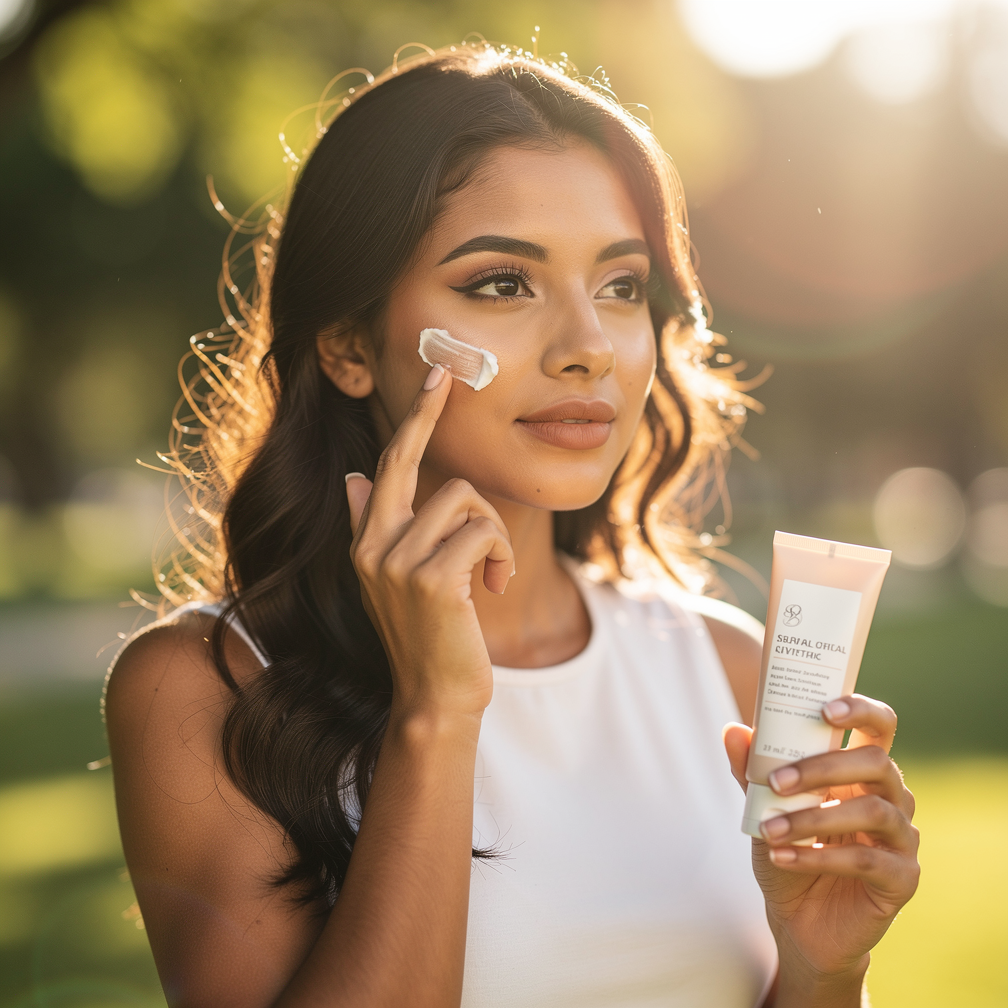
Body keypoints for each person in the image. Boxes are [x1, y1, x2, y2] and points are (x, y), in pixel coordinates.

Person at [104, 41, 920, 1008]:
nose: (588, 348)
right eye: (501, 282)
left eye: (621, 286)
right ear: (348, 345)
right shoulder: (206, 690)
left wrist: (827, 969)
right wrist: (437, 715)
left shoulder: (728, 670)